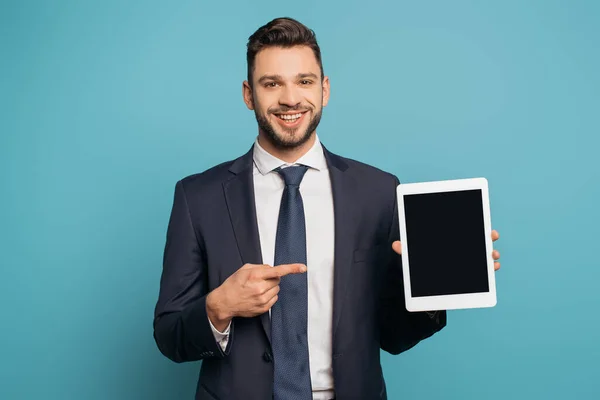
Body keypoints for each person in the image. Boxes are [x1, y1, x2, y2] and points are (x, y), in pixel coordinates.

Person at [153, 17, 502, 400]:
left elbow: (394, 336)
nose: (290, 99)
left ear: (325, 89)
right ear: (248, 94)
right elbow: (170, 336)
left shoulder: (378, 191)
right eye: (272, 84)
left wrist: (437, 285)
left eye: (304, 81)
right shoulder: (197, 197)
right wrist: (218, 308)